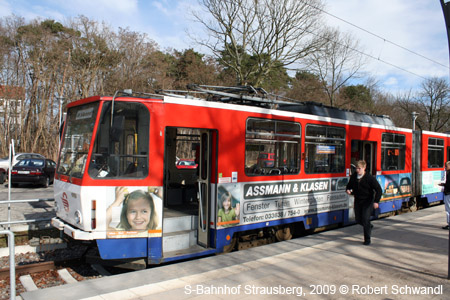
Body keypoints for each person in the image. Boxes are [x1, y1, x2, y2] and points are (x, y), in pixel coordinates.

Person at [346, 160, 382, 245]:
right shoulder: (354, 176)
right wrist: (348, 190)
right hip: (358, 200)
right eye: (356, 168)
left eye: (359, 168)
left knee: (365, 219)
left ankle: (367, 239)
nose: (357, 170)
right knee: (358, 219)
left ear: (364, 168)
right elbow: (349, 185)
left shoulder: (369, 178)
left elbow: (378, 189)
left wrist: (376, 201)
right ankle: (369, 226)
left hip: (368, 201)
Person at [440, 161, 450, 230]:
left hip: (448, 193)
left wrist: (443, 185)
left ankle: (449, 224)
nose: (445, 168)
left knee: (448, 209)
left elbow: (449, 185)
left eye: (446, 166)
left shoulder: (449, 175)